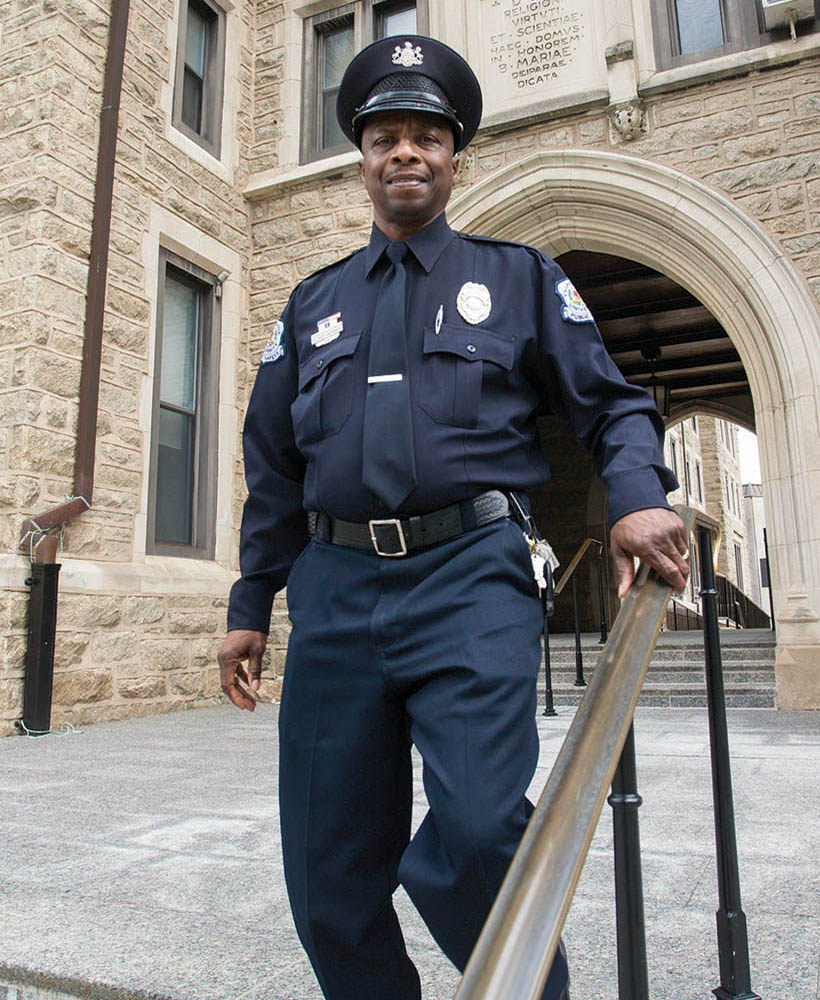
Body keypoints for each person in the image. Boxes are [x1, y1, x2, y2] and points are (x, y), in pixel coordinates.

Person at [218, 34, 689, 1000]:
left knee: (476, 830)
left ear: (452, 160)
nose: (404, 153)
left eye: (425, 137)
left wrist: (640, 500)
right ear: (361, 159)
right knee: (325, 874)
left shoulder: (517, 278)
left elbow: (613, 405)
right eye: (384, 136)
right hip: (337, 589)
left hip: (472, 574)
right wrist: (251, 601)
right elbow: (272, 465)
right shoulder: (313, 306)